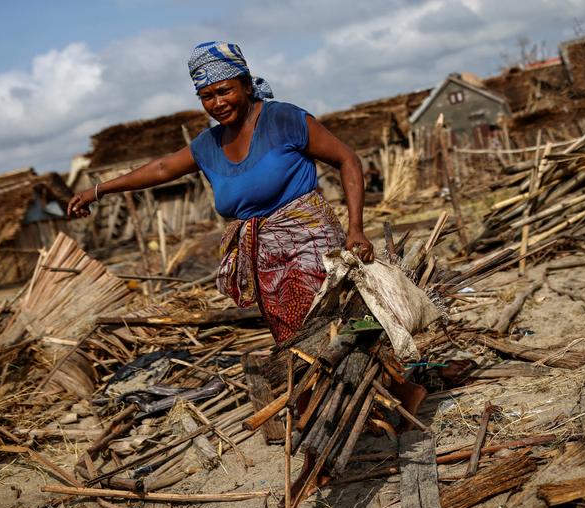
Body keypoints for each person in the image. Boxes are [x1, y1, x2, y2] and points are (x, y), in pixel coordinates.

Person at [68, 41, 373, 343]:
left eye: (225, 91)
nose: (217, 103)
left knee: (330, 333)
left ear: (246, 85)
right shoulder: (208, 144)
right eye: (206, 96)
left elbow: (347, 159)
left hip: (312, 247)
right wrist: (98, 190)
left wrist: (355, 229)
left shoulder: (283, 120)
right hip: (263, 259)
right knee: (298, 343)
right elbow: (162, 168)